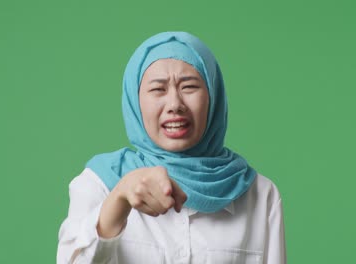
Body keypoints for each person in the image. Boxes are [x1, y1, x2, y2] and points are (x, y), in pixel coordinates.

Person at [57, 32, 286, 264]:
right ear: (136, 101)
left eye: (189, 87)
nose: (175, 105)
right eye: (158, 89)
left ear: (213, 97)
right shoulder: (98, 185)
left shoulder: (259, 194)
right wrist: (119, 200)